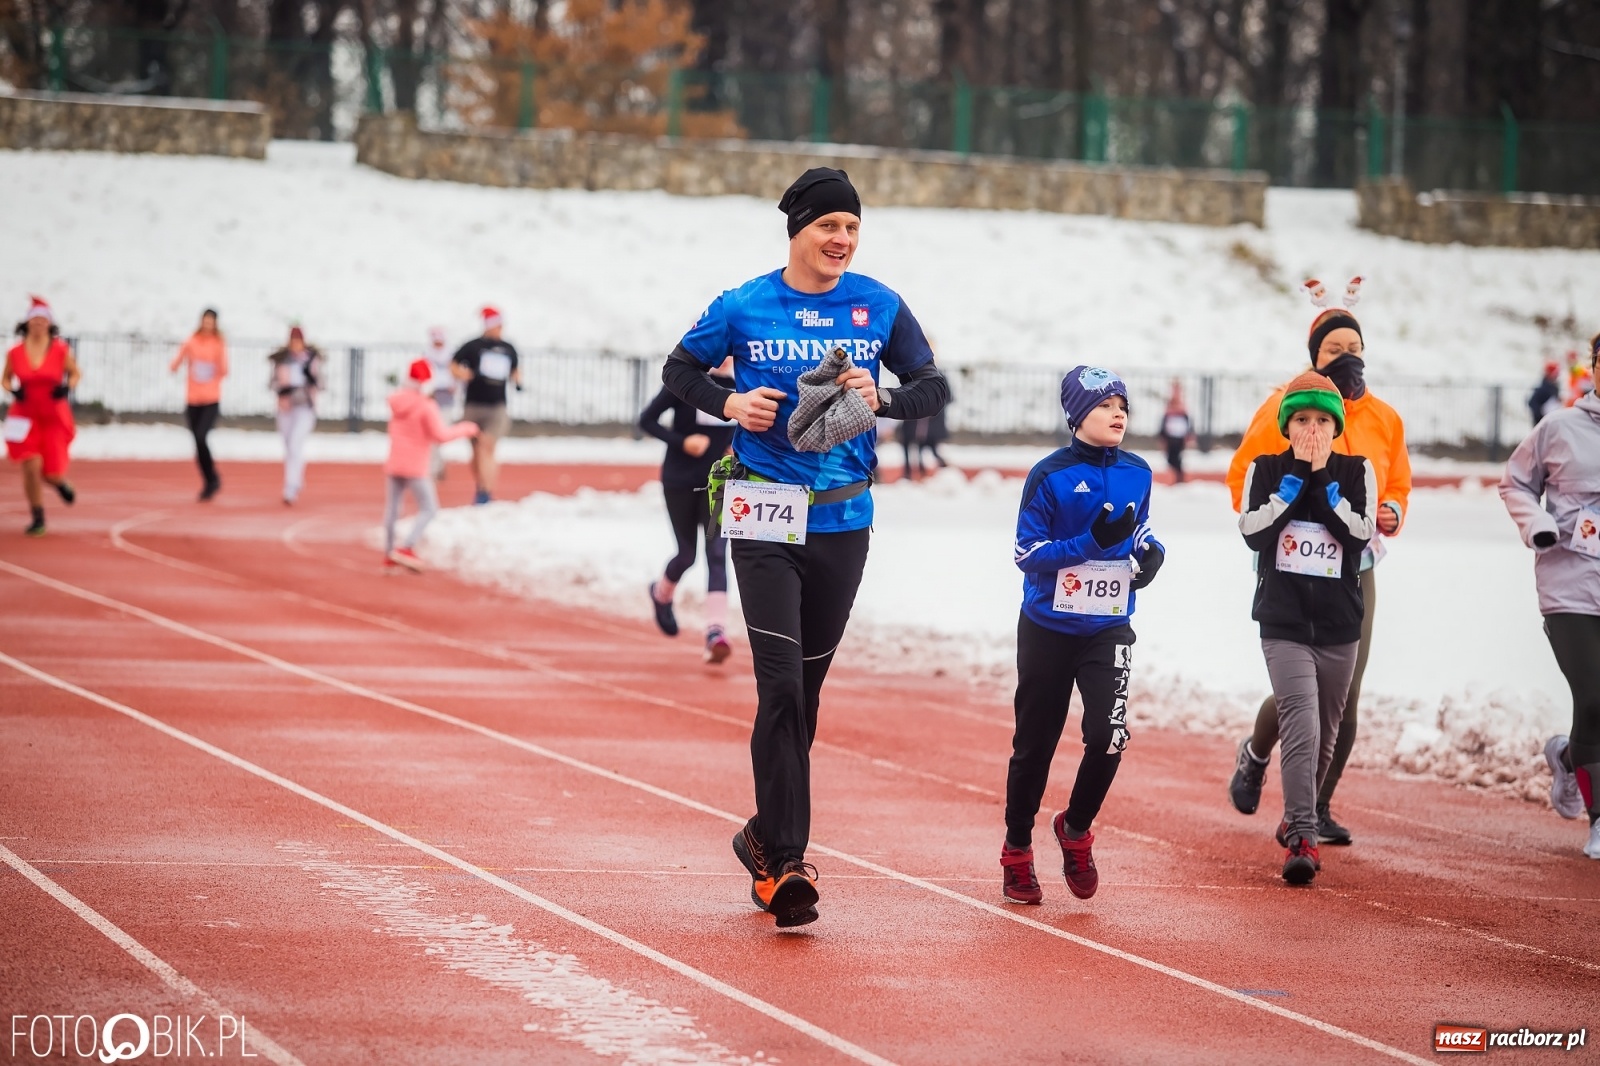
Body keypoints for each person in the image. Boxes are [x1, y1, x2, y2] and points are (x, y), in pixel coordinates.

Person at [661, 166, 949, 928]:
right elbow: (678, 369)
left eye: (851, 227)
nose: (842, 239)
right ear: (798, 230)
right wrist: (730, 401)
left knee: (805, 694)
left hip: (843, 520)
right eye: (829, 226)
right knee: (782, 687)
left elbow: (934, 387)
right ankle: (784, 864)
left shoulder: (879, 305)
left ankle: (762, 832)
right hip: (764, 512)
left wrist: (885, 397)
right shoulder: (744, 304)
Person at [1225, 278, 1410, 846]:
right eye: (1334, 349)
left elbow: (1397, 482)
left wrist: (1393, 511)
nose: (1346, 357)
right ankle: (1258, 753)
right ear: (1315, 355)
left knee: (1342, 693)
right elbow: (1243, 476)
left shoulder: (1384, 417)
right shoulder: (1285, 406)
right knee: (1297, 695)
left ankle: (1317, 806)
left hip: (1355, 566)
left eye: (1354, 348)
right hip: (1288, 562)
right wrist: (1274, 518)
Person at [1000, 367, 1165, 906]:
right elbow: (1026, 553)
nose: (1118, 415)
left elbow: (1138, 528)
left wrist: (1151, 552)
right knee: (1036, 744)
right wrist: (1090, 543)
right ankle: (1017, 849)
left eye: (1123, 406)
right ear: (1076, 415)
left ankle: (1075, 830)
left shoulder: (1138, 471)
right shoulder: (1048, 475)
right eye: (1104, 406)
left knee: (1110, 735)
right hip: (1048, 627)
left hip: (1109, 626)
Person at [1238, 373, 1375, 884]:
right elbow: (1254, 532)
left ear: (1337, 426)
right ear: (1286, 426)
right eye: (1301, 419)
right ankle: (1302, 835)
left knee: (1326, 732)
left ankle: (1298, 817)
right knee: (1302, 723)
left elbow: (1359, 535)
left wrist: (1323, 482)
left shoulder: (1356, 470)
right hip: (1284, 622)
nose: (1312, 429)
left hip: (1340, 624)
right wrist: (1295, 478)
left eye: (1321, 420)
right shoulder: (1266, 469)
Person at [1501, 333, 1600, 861]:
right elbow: (1515, 482)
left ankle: (1567, 757)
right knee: (1595, 697)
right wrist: (1536, 522)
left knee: (1595, 705)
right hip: (1568, 582)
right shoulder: (1559, 427)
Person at [639, 355, 737, 663]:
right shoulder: (687, 381)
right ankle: (661, 594)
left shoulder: (744, 387)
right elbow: (646, 420)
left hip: (718, 485)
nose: (725, 357)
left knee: (717, 552)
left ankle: (715, 632)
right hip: (679, 480)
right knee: (686, 554)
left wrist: (738, 447)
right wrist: (683, 442)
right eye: (721, 350)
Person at [383, 358, 479, 572]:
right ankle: (407, 547)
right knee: (429, 508)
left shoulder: (397, 401)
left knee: (392, 509)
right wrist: (467, 428)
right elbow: (441, 435)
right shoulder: (426, 406)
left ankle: (389, 554)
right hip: (415, 465)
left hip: (395, 462)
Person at [3, 296, 79, 537]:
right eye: (34, 320)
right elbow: (5, 378)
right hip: (25, 415)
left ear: (49, 323)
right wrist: (13, 390)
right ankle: (37, 516)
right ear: (27, 323)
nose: (38, 324)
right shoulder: (15, 352)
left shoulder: (60, 350)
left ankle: (60, 483)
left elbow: (75, 373)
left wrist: (67, 387)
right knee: (30, 464)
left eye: (43, 320)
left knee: (51, 472)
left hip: (53, 415)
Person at [451, 307, 521, 504]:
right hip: (474, 405)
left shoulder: (508, 348)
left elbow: (515, 369)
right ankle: (481, 485)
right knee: (476, 452)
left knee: (487, 446)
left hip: (496, 406)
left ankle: (486, 491)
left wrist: (518, 380)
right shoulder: (473, 346)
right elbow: (453, 364)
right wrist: (463, 375)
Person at [170, 308, 228, 500]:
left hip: (211, 399)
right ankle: (209, 480)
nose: (207, 325)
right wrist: (176, 366)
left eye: (211, 322)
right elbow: (178, 360)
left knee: (202, 436)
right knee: (197, 441)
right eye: (205, 321)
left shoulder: (218, 343)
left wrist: (211, 372)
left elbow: (224, 369)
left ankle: (212, 477)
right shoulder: (192, 341)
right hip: (193, 399)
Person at [269, 326, 322, 506]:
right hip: (286, 408)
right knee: (288, 446)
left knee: (295, 444)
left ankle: (291, 486)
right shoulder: (282, 360)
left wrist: (310, 378)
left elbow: (321, 383)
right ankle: (295, 479)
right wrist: (283, 389)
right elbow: (272, 382)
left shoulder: (311, 360)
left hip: (304, 407)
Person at [424, 326, 457, 480]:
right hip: (431, 400)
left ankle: (436, 464)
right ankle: (434, 468)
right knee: (431, 435)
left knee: (439, 435)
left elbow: (458, 377)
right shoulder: (426, 356)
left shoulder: (452, 356)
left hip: (446, 401)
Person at [895, 407, 950, 481]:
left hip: (921, 435)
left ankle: (919, 471)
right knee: (915, 453)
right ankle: (914, 472)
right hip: (915, 433)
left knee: (923, 452)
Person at [1160, 379, 1193, 483]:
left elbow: (1187, 423)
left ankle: (1179, 478)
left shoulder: (1182, 409)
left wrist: (1188, 436)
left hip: (1179, 436)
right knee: (1171, 457)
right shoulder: (1169, 410)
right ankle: (1176, 477)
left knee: (1177, 457)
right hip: (1171, 435)